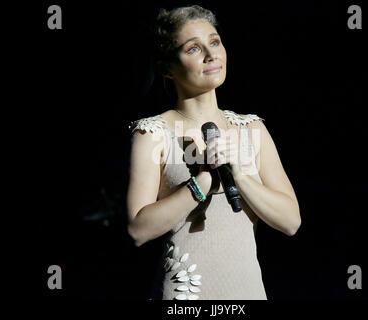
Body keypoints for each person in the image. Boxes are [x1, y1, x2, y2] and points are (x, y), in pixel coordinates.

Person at [127, 5, 300, 300]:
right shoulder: (152, 134)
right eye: (194, 48)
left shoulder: (252, 129)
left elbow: (290, 221)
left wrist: (240, 176)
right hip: (186, 296)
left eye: (215, 42)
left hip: (246, 292)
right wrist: (201, 182)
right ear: (168, 68)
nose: (211, 54)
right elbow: (138, 230)